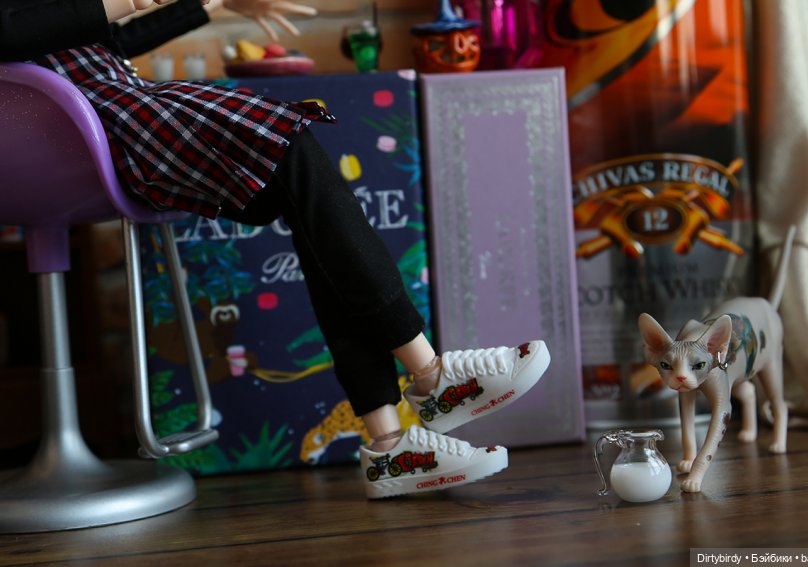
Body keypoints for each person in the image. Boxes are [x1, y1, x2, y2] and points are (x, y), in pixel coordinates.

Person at [0, 0, 551, 498]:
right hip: (77, 127)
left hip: (107, 108)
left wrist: (210, 4)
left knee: (300, 184)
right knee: (288, 147)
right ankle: (431, 376)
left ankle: (391, 444)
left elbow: (98, 43)